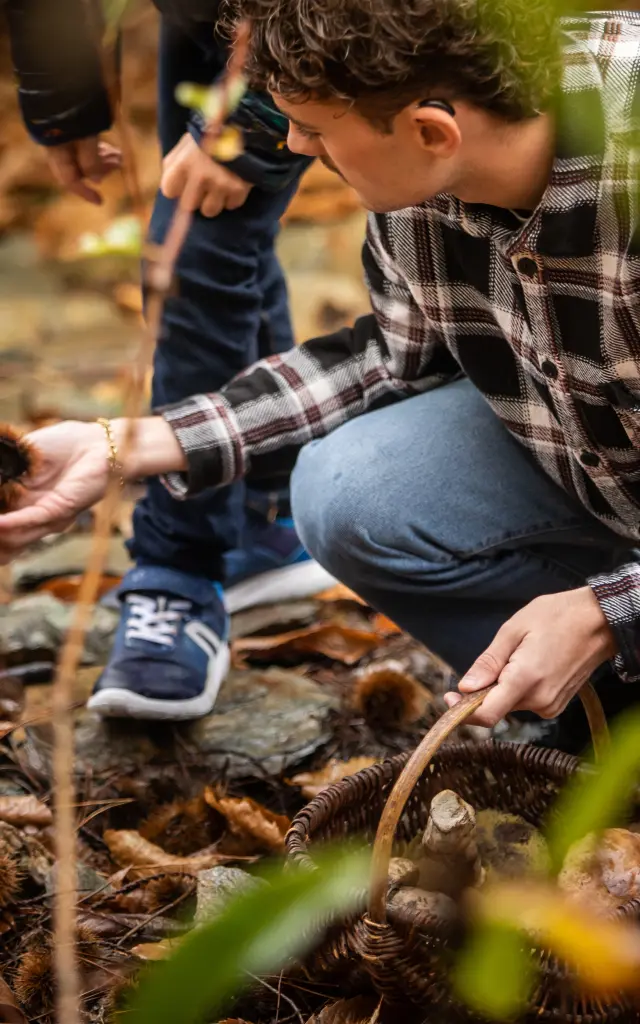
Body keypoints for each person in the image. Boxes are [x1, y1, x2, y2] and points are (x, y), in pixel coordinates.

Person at [2, 0, 640, 752]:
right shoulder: (423, 175)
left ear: (431, 132)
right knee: (350, 491)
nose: (293, 146)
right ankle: (611, 721)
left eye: (313, 129)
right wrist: (124, 446)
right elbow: (388, 359)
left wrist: (607, 611)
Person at [2, 0, 333, 721]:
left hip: (304, 23)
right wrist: (64, 98)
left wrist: (252, 127)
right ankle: (267, 515)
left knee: (193, 249)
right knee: (227, 236)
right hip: (198, 15)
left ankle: (180, 571)